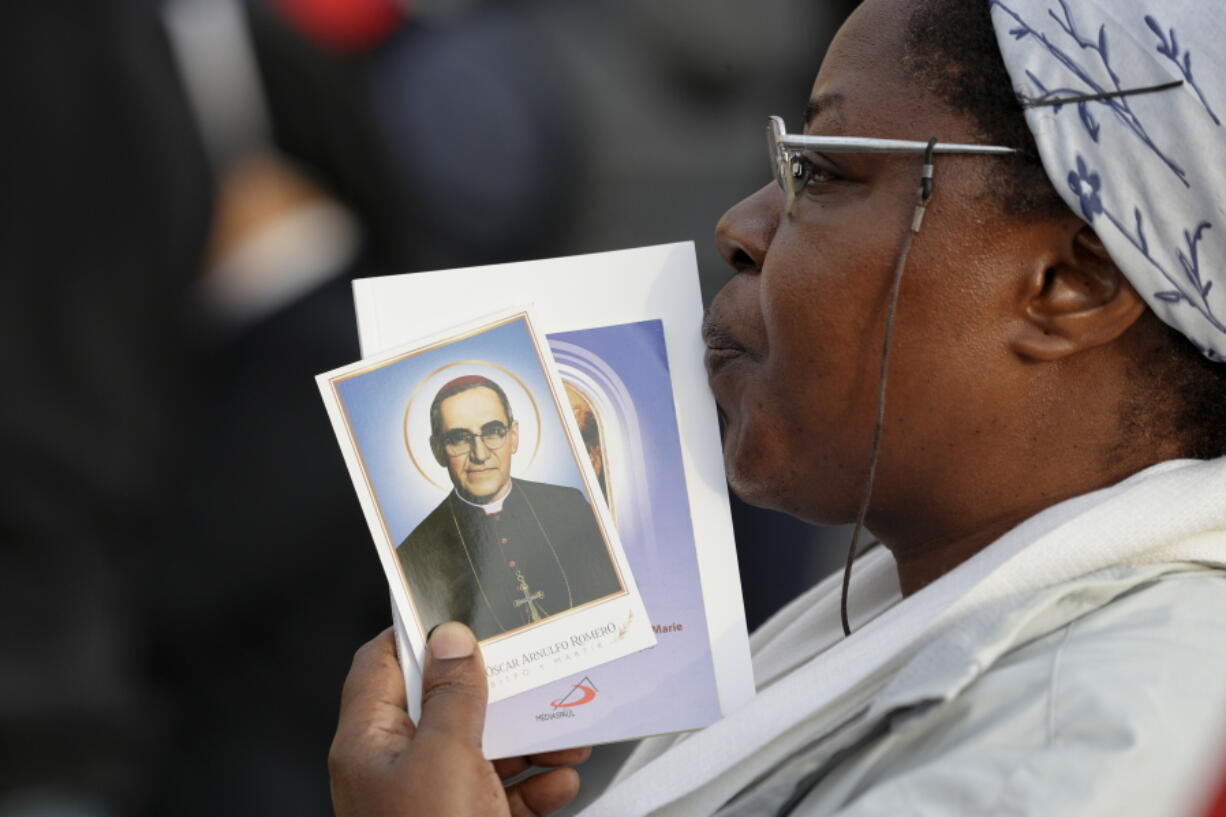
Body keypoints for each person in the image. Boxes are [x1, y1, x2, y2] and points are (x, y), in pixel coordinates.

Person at [330, 0, 1226, 814]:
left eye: (823, 171)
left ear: (1069, 281)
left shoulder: (1064, 755)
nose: (738, 226)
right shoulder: (945, 614)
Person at [397, 375, 623, 641]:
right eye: (459, 438)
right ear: (437, 450)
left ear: (513, 436)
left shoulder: (570, 505)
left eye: (493, 432)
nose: (480, 454)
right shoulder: (414, 555)